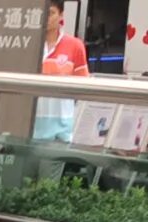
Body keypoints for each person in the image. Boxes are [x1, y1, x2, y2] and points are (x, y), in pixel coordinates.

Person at [34, 0, 89, 139]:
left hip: (63, 129)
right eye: (43, 12)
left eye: (51, 13)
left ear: (61, 15)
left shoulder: (75, 46)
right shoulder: (28, 44)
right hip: (31, 125)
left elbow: (83, 88)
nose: (46, 17)